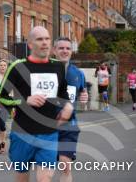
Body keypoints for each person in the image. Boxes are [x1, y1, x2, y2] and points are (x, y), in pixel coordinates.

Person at [0, 26, 73, 182]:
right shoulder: (18, 67)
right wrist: (24, 101)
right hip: (23, 133)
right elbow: (1, 97)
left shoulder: (58, 67)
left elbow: (63, 94)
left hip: (49, 133)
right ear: (30, 45)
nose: (45, 43)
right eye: (40, 39)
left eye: (47, 39)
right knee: (22, 177)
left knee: (45, 178)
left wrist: (68, 106)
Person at [53, 37, 88, 182]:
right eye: (61, 48)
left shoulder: (78, 74)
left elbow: (83, 95)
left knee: (65, 166)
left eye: (68, 48)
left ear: (71, 51)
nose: (65, 51)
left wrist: (84, 99)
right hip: (46, 125)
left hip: (69, 126)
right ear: (54, 50)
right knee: (45, 169)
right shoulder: (45, 71)